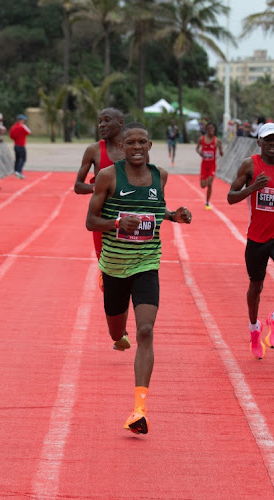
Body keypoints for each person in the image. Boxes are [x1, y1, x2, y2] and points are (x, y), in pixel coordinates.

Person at [86, 122, 192, 434]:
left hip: (147, 262)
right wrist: (118, 223)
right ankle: (115, 324)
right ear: (121, 147)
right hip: (115, 267)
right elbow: (91, 221)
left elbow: (156, 208)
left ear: (149, 146)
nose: (136, 147)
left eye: (141, 142)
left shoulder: (160, 175)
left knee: (145, 331)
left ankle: (139, 410)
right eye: (130, 142)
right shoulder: (108, 176)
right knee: (117, 333)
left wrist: (173, 215)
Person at [227, 123, 274, 359]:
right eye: (268, 140)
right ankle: (254, 328)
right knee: (256, 286)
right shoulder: (249, 165)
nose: (273, 144)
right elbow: (231, 197)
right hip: (257, 238)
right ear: (259, 142)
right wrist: (253, 188)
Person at [74, 107, 125, 262]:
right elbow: (78, 186)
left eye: (107, 120)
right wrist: (100, 188)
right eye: (100, 121)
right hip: (101, 217)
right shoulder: (94, 150)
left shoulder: (133, 149)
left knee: (128, 265)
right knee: (106, 265)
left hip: (127, 215)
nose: (101, 125)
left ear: (120, 123)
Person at [195, 122, 223, 209]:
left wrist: (220, 148)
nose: (211, 130)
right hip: (204, 166)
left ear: (214, 130)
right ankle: (207, 199)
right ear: (206, 130)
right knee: (203, 185)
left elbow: (221, 154)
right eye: (209, 129)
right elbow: (197, 148)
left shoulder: (217, 140)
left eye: (212, 129)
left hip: (212, 166)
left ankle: (207, 202)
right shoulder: (201, 139)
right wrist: (200, 153)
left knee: (210, 183)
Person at [9, 114, 31, 179]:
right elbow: (29, 132)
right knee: (22, 159)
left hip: (16, 145)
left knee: (17, 159)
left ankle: (16, 171)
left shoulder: (13, 127)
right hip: (21, 145)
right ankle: (19, 171)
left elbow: (11, 136)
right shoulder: (22, 126)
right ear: (21, 120)